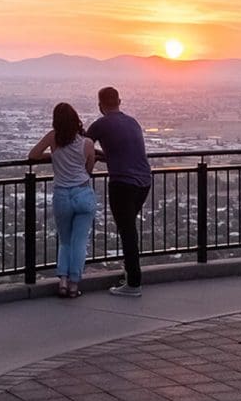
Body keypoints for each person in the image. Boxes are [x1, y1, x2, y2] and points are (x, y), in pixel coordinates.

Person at [85, 86, 152, 297]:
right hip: (144, 182)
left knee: (127, 232)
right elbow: (123, 152)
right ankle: (131, 275)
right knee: (129, 229)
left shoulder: (101, 124)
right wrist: (105, 156)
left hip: (122, 183)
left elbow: (83, 148)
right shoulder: (132, 122)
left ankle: (133, 283)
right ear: (119, 101)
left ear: (100, 105)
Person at [29, 102, 96, 299]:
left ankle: (63, 282)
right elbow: (89, 169)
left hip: (61, 195)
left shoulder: (53, 138)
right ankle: (75, 284)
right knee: (80, 242)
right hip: (83, 193)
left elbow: (33, 155)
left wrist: (54, 155)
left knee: (65, 241)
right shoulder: (87, 143)